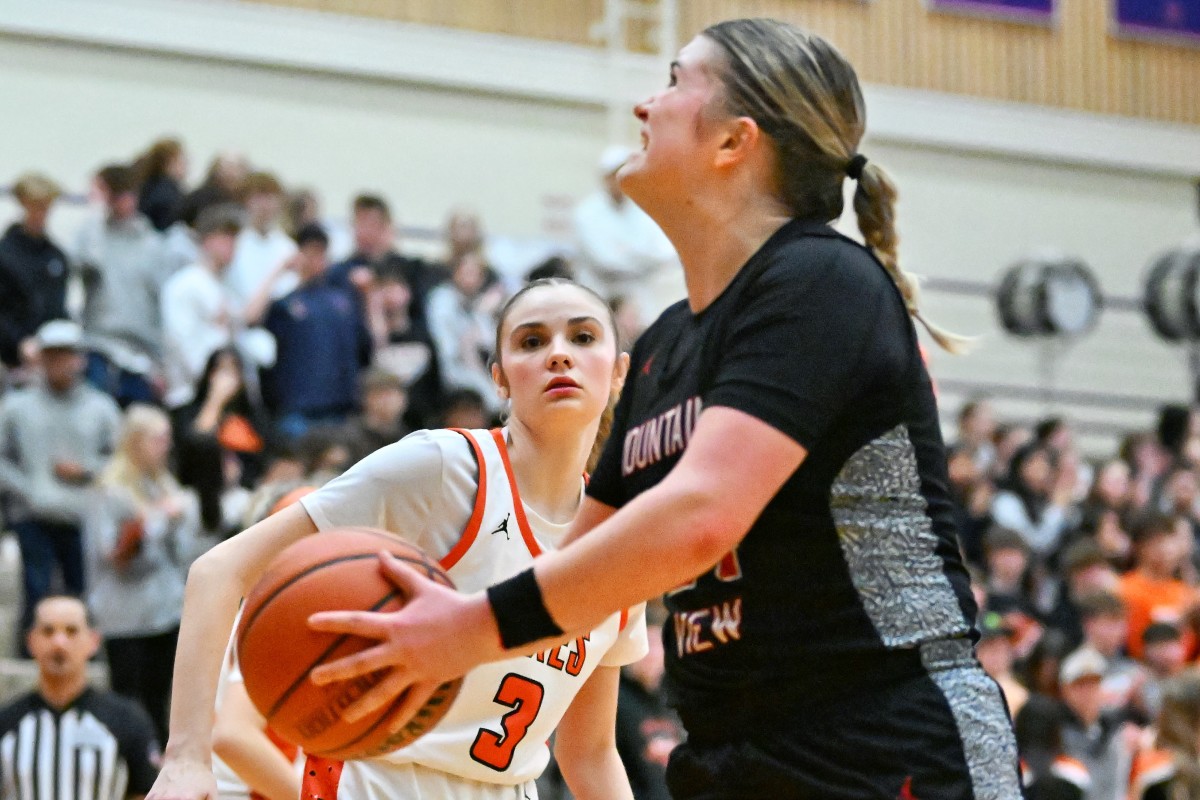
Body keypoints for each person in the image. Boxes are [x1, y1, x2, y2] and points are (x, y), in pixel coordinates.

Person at [290, 19, 1023, 799]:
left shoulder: (822, 282)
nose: (646, 104)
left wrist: (464, 631)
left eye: (675, 82)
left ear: (734, 143)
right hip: (726, 753)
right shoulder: (668, 344)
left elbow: (701, 516)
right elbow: (574, 576)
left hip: (882, 737)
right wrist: (414, 645)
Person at [147, 278, 646, 800]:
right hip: (378, 780)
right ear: (499, 379)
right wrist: (186, 756)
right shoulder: (444, 469)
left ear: (619, 373)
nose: (559, 354)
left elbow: (589, 752)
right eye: (532, 341)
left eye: (583, 337)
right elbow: (219, 572)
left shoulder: (619, 544)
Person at [0, 320, 122, 640]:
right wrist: (25, 488)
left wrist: (87, 472)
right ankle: (30, 649)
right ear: (39, 358)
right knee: (35, 586)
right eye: (52, 355)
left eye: (67, 355)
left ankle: (81, 648)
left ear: (80, 359)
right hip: (32, 512)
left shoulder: (101, 408)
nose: (60, 363)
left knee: (79, 589)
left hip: (82, 514)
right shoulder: (16, 406)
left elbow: (121, 463)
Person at [89, 404, 203, 744]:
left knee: (160, 699)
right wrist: (157, 519)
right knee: (127, 699)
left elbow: (185, 550)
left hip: (165, 611)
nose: (165, 446)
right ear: (135, 441)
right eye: (158, 439)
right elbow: (112, 555)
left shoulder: (164, 484)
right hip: (125, 614)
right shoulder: (109, 489)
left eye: (167, 438)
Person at [0, 596, 161, 800]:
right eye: (48, 631)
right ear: (31, 641)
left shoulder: (128, 720)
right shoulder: (5, 722)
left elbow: (144, 792)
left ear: (93, 641)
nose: (59, 643)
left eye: (71, 631)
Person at [0, 172, 69, 371]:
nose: (42, 212)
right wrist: (19, 342)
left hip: (49, 357)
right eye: (37, 205)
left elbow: (58, 309)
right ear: (23, 204)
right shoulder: (5, 254)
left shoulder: (57, 256)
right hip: (9, 356)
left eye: (46, 206)